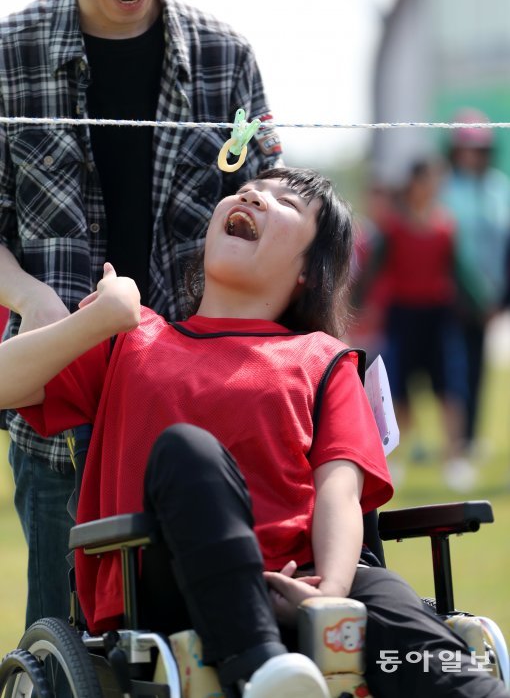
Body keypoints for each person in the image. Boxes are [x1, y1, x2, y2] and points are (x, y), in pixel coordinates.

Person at [0, 166, 507, 698]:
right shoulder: (134, 339)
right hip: (166, 581)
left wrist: (330, 594)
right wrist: (103, 317)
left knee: (388, 600)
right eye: (248, 191)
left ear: (310, 269)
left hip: (303, 575)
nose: (252, 196)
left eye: (284, 203)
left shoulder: (323, 359)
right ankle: (265, 669)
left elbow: (340, 486)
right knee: (187, 449)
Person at [0, 0, 281, 628]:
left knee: (200, 627)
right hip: (60, 407)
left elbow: (281, 220)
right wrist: (30, 296)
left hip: (203, 410)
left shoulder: (226, 58)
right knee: (66, 633)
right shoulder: (10, 55)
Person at [355, 160, 471, 490]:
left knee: (450, 387)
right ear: (415, 183)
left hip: (439, 314)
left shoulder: (446, 225)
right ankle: (398, 458)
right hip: (403, 314)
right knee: (401, 389)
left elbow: (459, 273)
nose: (433, 186)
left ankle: (454, 458)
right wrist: (355, 307)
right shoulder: (393, 228)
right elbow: (372, 272)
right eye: (429, 180)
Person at [441, 108, 510, 459]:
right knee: (455, 368)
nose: (473, 154)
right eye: (467, 148)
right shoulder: (443, 187)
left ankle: (471, 437)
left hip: (491, 297)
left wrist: (501, 297)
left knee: (480, 368)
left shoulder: (501, 188)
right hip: (453, 296)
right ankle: (453, 441)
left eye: (480, 148)